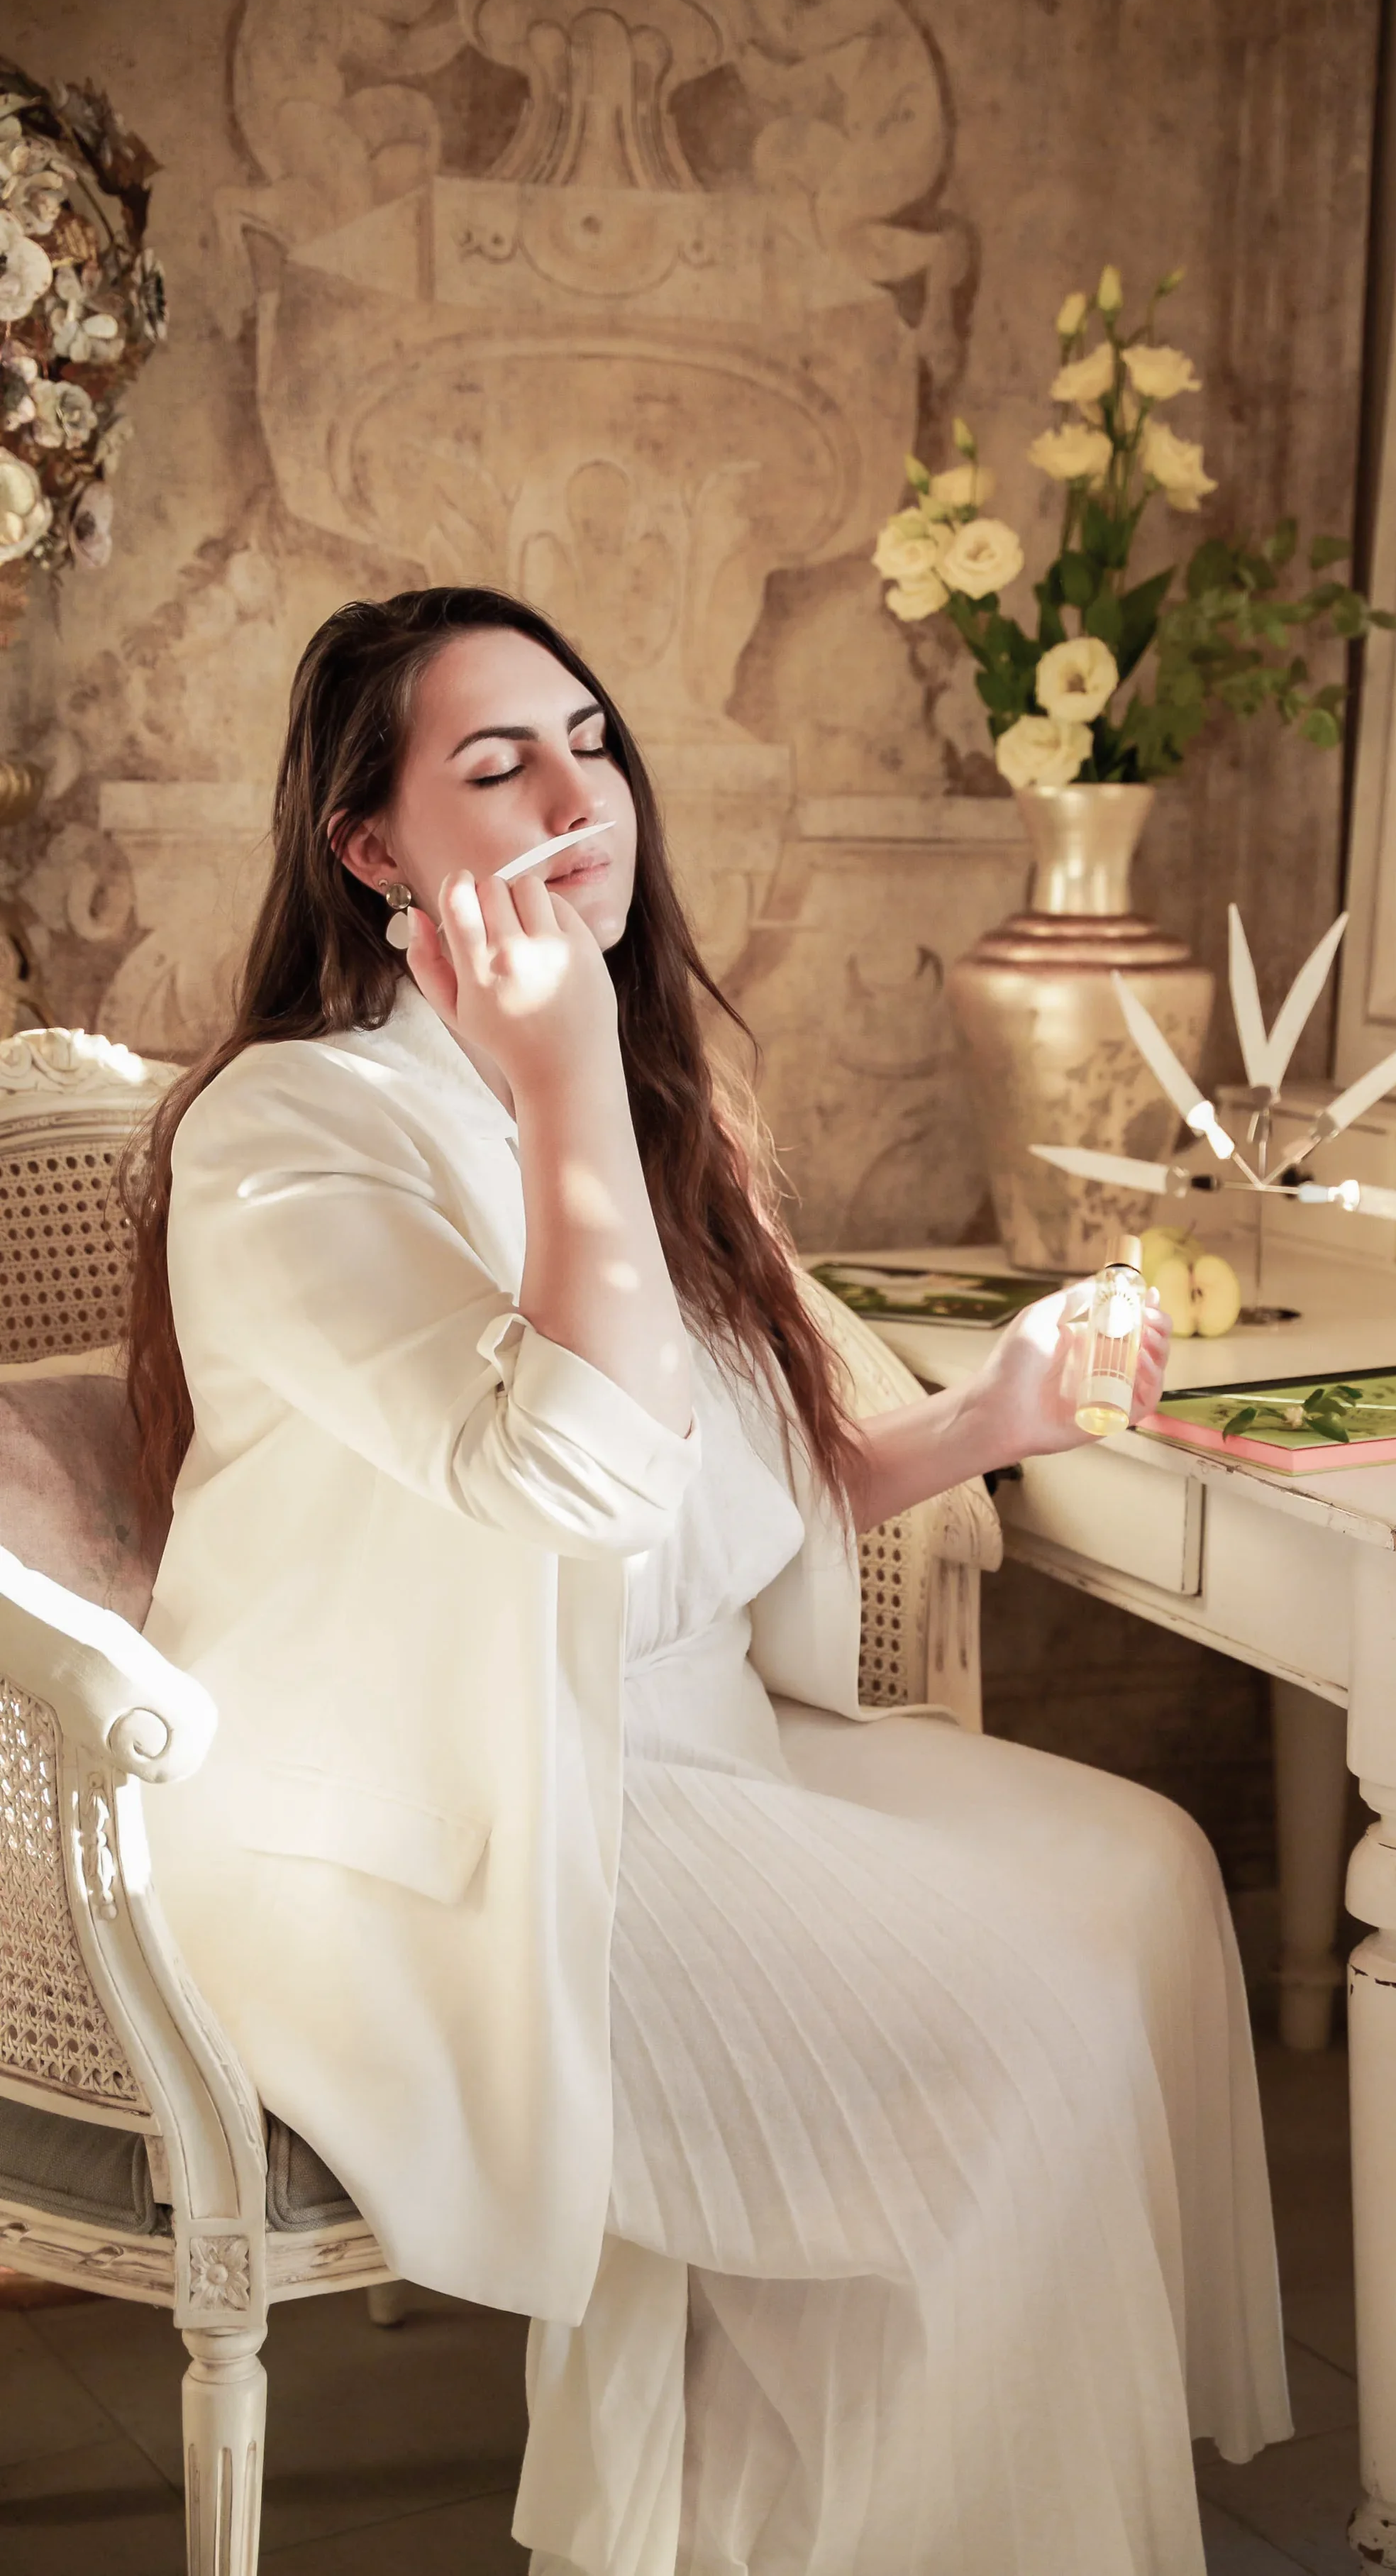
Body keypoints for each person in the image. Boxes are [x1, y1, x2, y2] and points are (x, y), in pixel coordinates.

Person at [128, 585, 1290, 2576]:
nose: (575, 791)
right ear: (371, 846)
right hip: (447, 1819)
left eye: (592, 740)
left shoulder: (648, 1092)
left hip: (680, 1730)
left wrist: (973, 1424)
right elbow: (574, 1478)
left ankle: (822, 2514)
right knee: (1018, 2021)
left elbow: (711, 1483)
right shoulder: (293, 1130)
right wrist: (565, 1065)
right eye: (495, 765)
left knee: (1150, 1875)